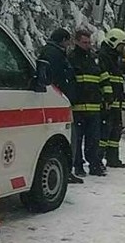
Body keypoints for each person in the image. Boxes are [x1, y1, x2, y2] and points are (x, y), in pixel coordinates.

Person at [37, 28, 83, 184]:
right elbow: (60, 77)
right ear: (63, 40)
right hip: (59, 100)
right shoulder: (55, 55)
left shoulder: (51, 52)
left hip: (57, 99)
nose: (69, 44)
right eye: (68, 40)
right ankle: (66, 170)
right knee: (69, 137)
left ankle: (66, 170)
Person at [68, 29, 106, 177]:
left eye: (89, 42)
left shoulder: (93, 58)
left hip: (94, 106)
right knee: (77, 140)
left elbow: (103, 77)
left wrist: (107, 96)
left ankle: (94, 165)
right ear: (76, 42)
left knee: (93, 139)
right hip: (78, 107)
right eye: (84, 42)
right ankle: (78, 166)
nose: (87, 45)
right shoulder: (71, 59)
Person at [98, 28, 125, 168]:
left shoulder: (114, 59)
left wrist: (122, 98)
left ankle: (113, 158)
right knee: (104, 133)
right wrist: (108, 97)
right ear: (114, 43)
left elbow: (117, 82)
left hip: (115, 102)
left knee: (115, 132)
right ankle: (98, 160)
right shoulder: (103, 57)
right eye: (122, 46)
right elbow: (103, 79)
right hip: (107, 103)